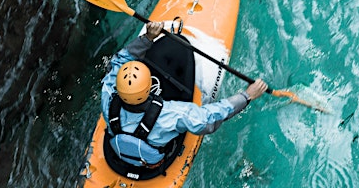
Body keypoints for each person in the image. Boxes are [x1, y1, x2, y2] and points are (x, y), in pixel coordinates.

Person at [101, 22, 268, 169]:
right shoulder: (171, 114)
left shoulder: (108, 95)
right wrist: (247, 96)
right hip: (155, 160)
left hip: (120, 152)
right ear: (150, 87)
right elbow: (208, 120)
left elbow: (117, 62)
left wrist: (147, 38)